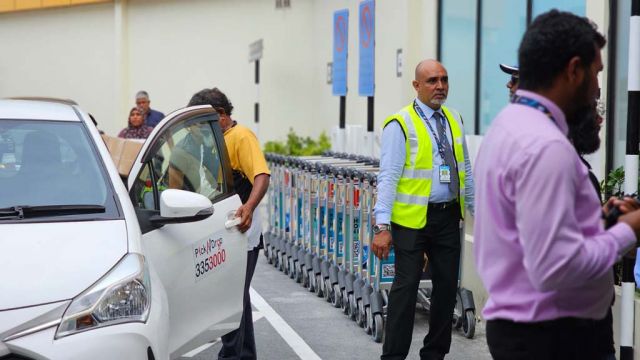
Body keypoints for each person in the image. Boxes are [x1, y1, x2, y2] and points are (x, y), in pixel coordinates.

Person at [473, 10, 640, 359]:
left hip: (530, 333)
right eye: (596, 73)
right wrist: (627, 231)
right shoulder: (546, 145)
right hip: (555, 339)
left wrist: (598, 223)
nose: (597, 88)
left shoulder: (509, 125)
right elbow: (555, 268)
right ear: (574, 70)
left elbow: (531, 235)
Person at [372, 59, 474, 360]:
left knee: (445, 291)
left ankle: (434, 354)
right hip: (411, 220)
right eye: (432, 81)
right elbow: (388, 176)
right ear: (416, 86)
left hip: (446, 216)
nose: (440, 86)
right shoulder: (400, 123)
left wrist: (476, 209)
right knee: (405, 290)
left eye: (444, 79)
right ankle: (393, 357)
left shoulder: (454, 118)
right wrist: (382, 226)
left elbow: (465, 167)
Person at [188, 87, 269, 360]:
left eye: (203, 123)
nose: (200, 130)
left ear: (221, 115)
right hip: (224, 227)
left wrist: (248, 207)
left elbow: (261, 176)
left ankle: (234, 355)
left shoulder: (241, 137)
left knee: (230, 297)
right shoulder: (213, 140)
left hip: (243, 230)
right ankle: (242, 355)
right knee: (234, 297)